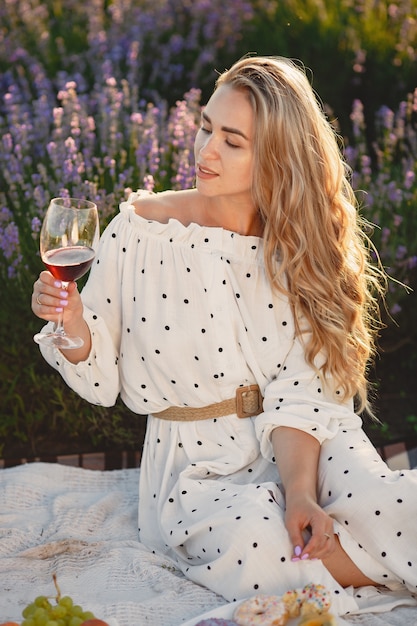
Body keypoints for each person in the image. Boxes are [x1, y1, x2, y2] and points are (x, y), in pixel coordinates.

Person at [31, 56, 417, 616]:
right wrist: (70, 326)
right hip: (193, 469)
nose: (205, 151)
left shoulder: (299, 248)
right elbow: (102, 375)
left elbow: (306, 386)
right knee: (255, 541)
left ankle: (335, 568)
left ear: (276, 158)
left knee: (393, 506)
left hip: (301, 440)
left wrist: (302, 494)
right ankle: (383, 569)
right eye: (206, 126)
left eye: (232, 141)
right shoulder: (139, 230)